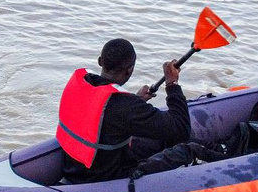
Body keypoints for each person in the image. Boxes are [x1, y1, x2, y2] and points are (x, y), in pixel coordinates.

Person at [57, 38, 193, 184]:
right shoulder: (126, 106)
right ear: (130, 69)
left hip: (77, 169)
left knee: (155, 139)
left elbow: (105, 113)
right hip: (106, 179)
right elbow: (181, 129)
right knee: (189, 150)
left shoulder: (81, 84)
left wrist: (137, 100)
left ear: (100, 61)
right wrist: (172, 84)